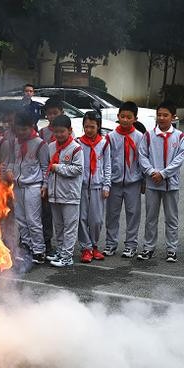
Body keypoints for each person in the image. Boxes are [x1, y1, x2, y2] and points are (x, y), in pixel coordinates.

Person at [137, 101, 184, 262]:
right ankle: (148, 248)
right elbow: (142, 155)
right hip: (152, 183)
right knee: (151, 217)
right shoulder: (149, 135)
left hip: (171, 184)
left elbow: (180, 158)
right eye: (159, 115)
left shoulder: (179, 136)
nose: (162, 118)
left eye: (166, 115)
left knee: (171, 218)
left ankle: (172, 249)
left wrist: (164, 174)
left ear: (173, 117)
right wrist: (152, 172)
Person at [7, 112, 50, 264]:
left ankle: (39, 250)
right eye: (18, 129)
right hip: (18, 185)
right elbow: (11, 161)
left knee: (33, 219)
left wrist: (44, 186)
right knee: (20, 218)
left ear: (31, 127)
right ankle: (26, 246)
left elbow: (45, 167)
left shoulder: (40, 144)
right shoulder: (14, 142)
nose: (21, 132)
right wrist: (9, 171)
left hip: (33, 186)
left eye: (24, 129)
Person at [103, 101, 144, 258]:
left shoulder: (140, 137)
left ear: (135, 118)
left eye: (129, 117)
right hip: (114, 182)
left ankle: (131, 244)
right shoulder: (111, 137)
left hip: (134, 182)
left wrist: (143, 181)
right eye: (122, 116)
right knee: (112, 214)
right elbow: (107, 160)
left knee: (133, 214)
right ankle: (111, 243)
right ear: (118, 117)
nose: (125, 120)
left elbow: (143, 160)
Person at [43, 115, 83, 268]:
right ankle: (60, 251)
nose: (59, 135)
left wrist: (58, 167)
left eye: (62, 132)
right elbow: (47, 169)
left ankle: (67, 256)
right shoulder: (51, 146)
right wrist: (46, 186)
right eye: (56, 132)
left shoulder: (76, 148)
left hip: (70, 195)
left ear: (70, 130)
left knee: (69, 227)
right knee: (58, 226)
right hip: (55, 194)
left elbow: (78, 169)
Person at [77, 110, 111, 263]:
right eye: (86, 126)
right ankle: (85, 248)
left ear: (98, 126)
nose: (89, 130)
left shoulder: (104, 143)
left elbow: (107, 165)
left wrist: (106, 185)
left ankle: (94, 245)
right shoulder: (78, 142)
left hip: (98, 186)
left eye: (92, 127)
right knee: (82, 218)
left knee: (96, 219)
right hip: (81, 186)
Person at [38, 97, 65, 256]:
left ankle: (63, 246)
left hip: (62, 178)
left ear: (62, 113)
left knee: (62, 215)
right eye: (49, 114)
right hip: (47, 176)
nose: (52, 116)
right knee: (46, 213)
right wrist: (44, 182)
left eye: (55, 113)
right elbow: (41, 159)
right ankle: (46, 242)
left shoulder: (67, 132)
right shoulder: (43, 133)